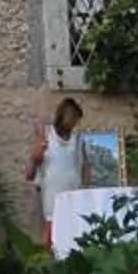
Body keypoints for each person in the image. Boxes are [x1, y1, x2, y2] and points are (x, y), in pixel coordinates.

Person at [38, 97, 86, 248]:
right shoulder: (47, 134)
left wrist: (85, 185)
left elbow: (84, 163)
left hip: (72, 187)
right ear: (64, 116)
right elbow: (37, 157)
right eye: (73, 118)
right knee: (51, 224)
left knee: (71, 225)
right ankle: (46, 261)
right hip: (52, 187)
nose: (74, 123)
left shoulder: (77, 138)